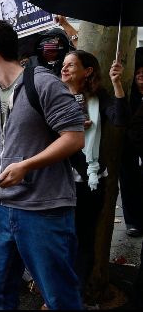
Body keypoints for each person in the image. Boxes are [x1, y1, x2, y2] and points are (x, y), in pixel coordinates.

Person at [0, 20, 86, 310]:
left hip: (43, 210)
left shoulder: (43, 83)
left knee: (60, 297)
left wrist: (27, 166)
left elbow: (74, 138)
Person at [60, 50, 128, 295]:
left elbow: (120, 119)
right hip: (57, 180)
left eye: (71, 65)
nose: (64, 69)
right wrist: (67, 126)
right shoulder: (54, 96)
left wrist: (117, 84)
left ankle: (75, 292)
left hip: (90, 181)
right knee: (57, 238)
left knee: (83, 239)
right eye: (64, 64)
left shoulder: (99, 98)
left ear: (87, 71)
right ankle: (53, 290)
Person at [120, 48, 143, 238]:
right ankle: (133, 221)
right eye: (138, 72)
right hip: (129, 146)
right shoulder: (128, 93)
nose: (141, 76)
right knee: (129, 180)